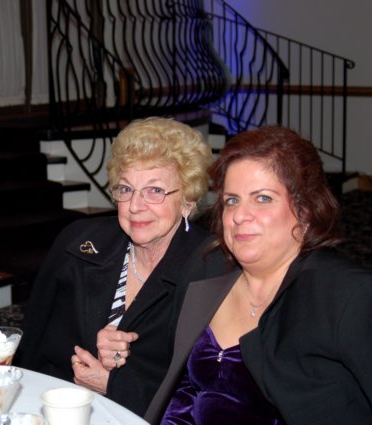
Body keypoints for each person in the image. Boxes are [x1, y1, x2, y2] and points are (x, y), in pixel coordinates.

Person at [145, 126, 372, 424]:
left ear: (306, 209)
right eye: (232, 200)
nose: (239, 215)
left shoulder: (352, 299)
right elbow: (166, 373)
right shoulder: (207, 268)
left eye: (262, 198)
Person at [16, 117, 229, 415]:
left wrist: (115, 384)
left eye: (155, 191)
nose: (135, 206)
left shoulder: (212, 268)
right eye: (126, 189)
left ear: (187, 201)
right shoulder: (78, 244)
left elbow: (216, 392)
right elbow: (33, 346)